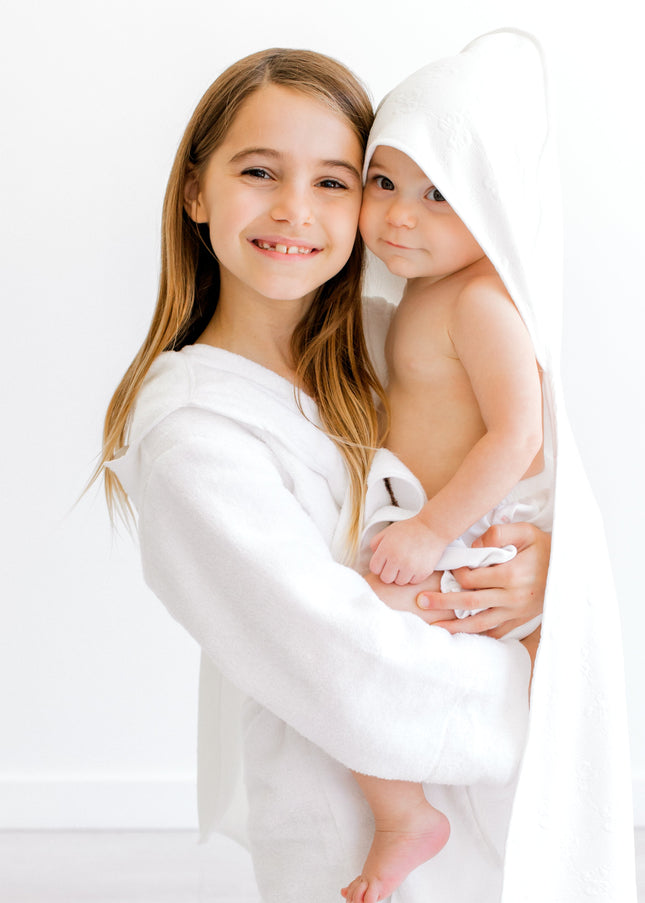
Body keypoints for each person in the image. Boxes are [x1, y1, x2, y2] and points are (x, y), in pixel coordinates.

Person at [92, 38, 632, 903]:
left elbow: (525, 470)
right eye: (259, 172)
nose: (296, 210)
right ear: (197, 191)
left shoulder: (389, 341)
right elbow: (329, 648)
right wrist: (540, 681)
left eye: (335, 180)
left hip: (495, 824)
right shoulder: (194, 433)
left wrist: (537, 578)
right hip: (348, 827)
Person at [343, 28, 635, 903]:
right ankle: (416, 818)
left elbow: (516, 435)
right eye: (382, 182)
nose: (399, 214)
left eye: (439, 195)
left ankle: (413, 821)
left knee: (362, 647)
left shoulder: (478, 301)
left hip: (471, 532)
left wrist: (433, 530)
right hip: (439, 525)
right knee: (357, 660)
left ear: (497, 202)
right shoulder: (413, 295)